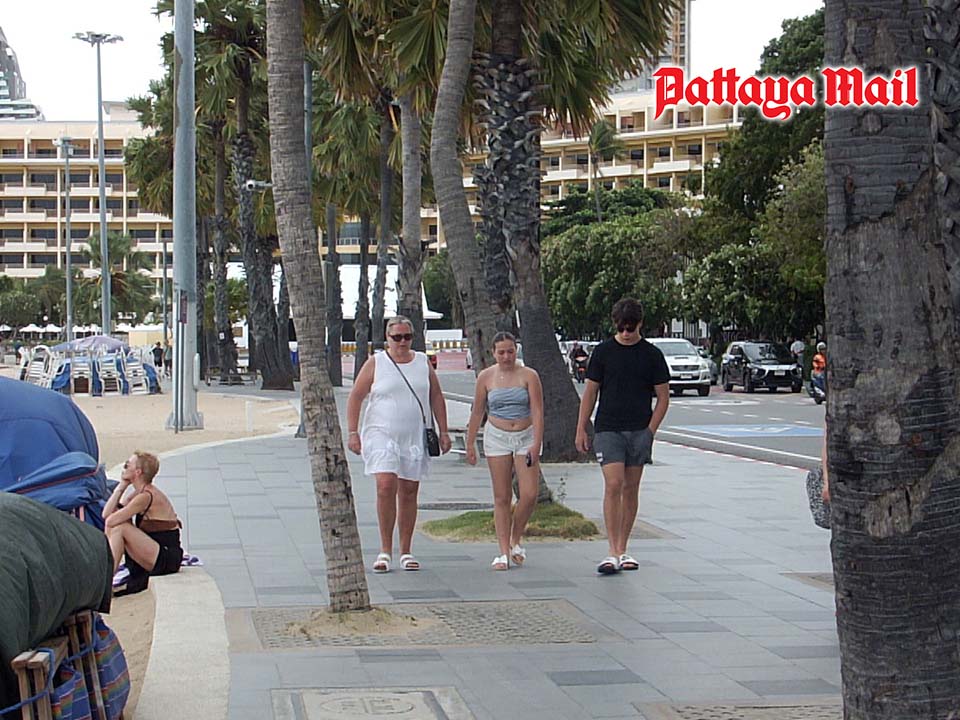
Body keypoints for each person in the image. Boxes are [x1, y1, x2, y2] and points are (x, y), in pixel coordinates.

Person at [346, 316, 452, 573]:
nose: (402, 342)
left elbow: (436, 395)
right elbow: (356, 396)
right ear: (387, 338)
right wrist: (352, 432)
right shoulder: (376, 362)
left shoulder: (422, 362)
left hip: (413, 434)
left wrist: (444, 430)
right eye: (397, 337)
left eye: (407, 337)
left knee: (408, 490)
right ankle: (385, 550)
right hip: (381, 432)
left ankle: (406, 550)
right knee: (385, 485)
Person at [575, 298, 670, 575]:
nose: (626, 333)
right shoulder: (603, 352)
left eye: (631, 328)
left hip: (639, 429)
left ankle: (623, 547)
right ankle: (612, 550)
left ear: (640, 324)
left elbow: (663, 398)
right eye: (621, 328)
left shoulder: (652, 355)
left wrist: (650, 431)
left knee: (631, 487)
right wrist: (581, 427)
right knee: (613, 484)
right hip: (608, 428)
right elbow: (590, 393)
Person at [465, 332, 544, 570]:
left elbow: (538, 410)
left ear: (516, 350)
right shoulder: (486, 377)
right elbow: (478, 411)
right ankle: (503, 552)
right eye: (501, 352)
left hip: (525, 435)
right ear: (493, 353)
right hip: (497, 436)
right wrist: (470, 442)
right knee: (502, 496)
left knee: (529, 493)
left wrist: (536, 443)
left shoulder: (529, 375)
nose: (506, 356)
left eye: (510, 351)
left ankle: (515, 538)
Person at [103, 450, 182, 596]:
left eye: (127, 465)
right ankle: (105, 577)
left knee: (120, 528)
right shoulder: (139, 493)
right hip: (155, 550)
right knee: (118, 526)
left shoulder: (146, 496)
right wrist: (121, 486)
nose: (124, 468)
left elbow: (110, 520)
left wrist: (122, 487)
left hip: (167, 557)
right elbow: (106, 514)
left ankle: (105, 582)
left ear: (138, 472)